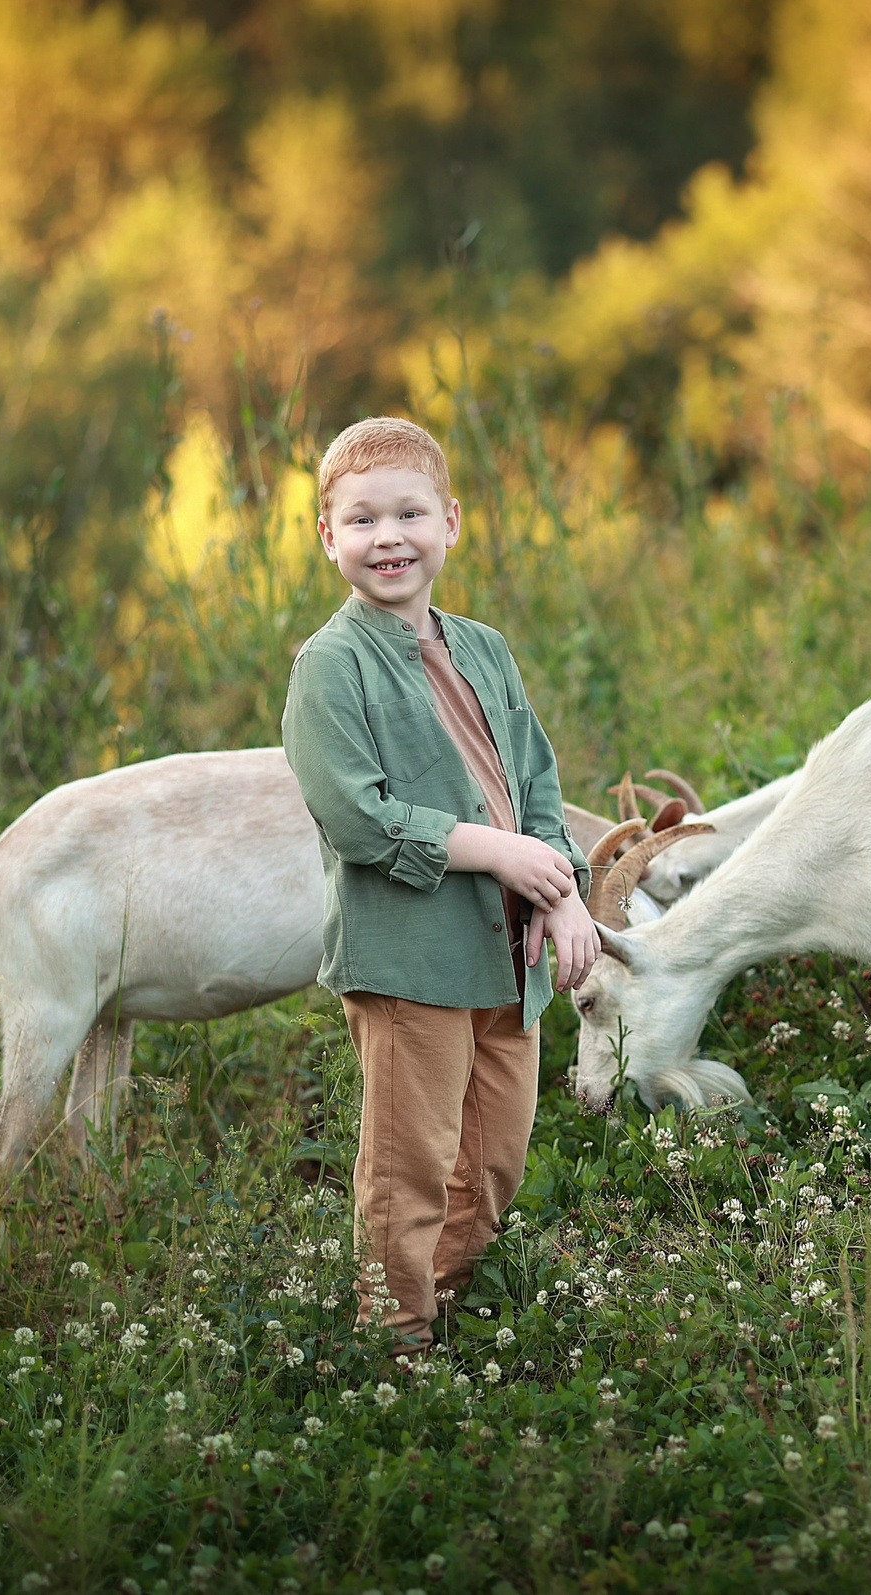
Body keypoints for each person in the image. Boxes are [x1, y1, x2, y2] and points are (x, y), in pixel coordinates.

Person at [281, 415, 601, 1345]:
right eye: (362, 520)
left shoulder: (485, 648)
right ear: (328, 535)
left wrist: (562, 893)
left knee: (493, 1162)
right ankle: (397, 1347)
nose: (389, 538)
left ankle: (450, 1316)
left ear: (450, 522)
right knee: (409, 1169)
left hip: (509, 956)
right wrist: (497, 853)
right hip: (411, 962)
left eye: (410, 514)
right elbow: (356, 816)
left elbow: (536, 783)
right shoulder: (330, 667)